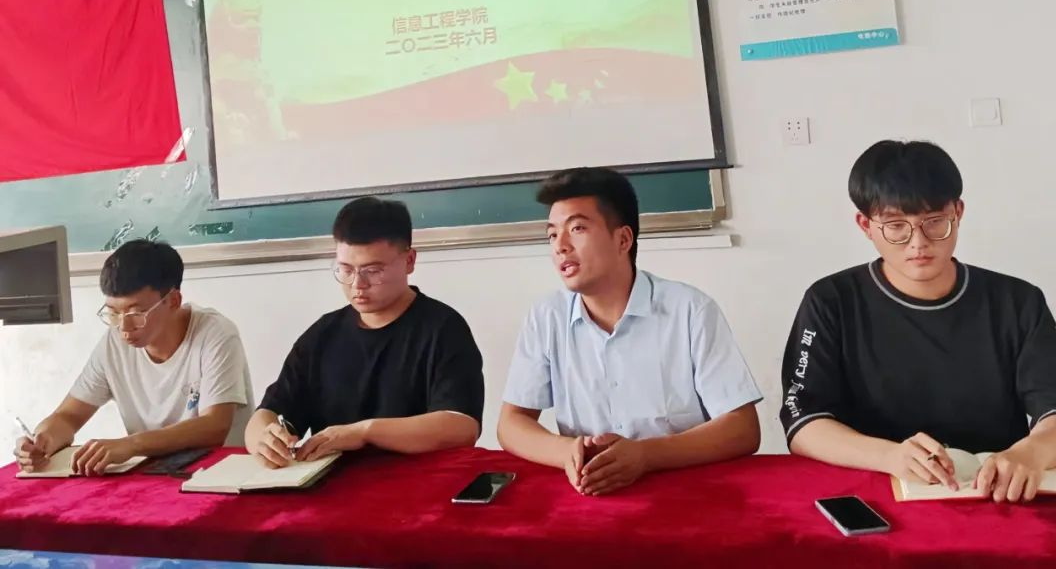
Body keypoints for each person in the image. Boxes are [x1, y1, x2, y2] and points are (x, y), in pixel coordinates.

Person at [780, 140, 1056, 503]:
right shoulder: (831, 301)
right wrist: (889, 455)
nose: (918, 243)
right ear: (866, 225)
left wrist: (1031, 453)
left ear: (958, 212)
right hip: (877, 489)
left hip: (996, 493)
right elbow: (804, 421)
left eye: (935, 222)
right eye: (896, 226)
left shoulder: (1017, 301)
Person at [498, 167, 761, 495]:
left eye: (577, 228)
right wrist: (565, 451)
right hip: (591, 491)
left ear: (623, 239)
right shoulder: (546, 316)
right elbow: (511, 423)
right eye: (552, 235)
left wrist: (646, 455)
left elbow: (743, 428)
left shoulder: (690, 310)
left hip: (685, 490)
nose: (560, 246)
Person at [246, 197, 484, 467]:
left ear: (409, 260)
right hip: (333, 483)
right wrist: (265, 438)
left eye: (372, 271)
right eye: (345, 270)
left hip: (417, 481)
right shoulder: (323, 335)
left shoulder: (444, 329)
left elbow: (460, 427)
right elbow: (267, 414)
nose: (357, 284)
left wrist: (365, 432)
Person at [14, 239, 254, 475]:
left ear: (173, 301)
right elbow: (69, 416)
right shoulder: (114, 343)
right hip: (153, 476)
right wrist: (43, 439)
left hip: (218, 474)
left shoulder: (216, 334)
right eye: (113, 313)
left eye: (137, 313)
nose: (124, 327)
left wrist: (132, 444)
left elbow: (214, 426)